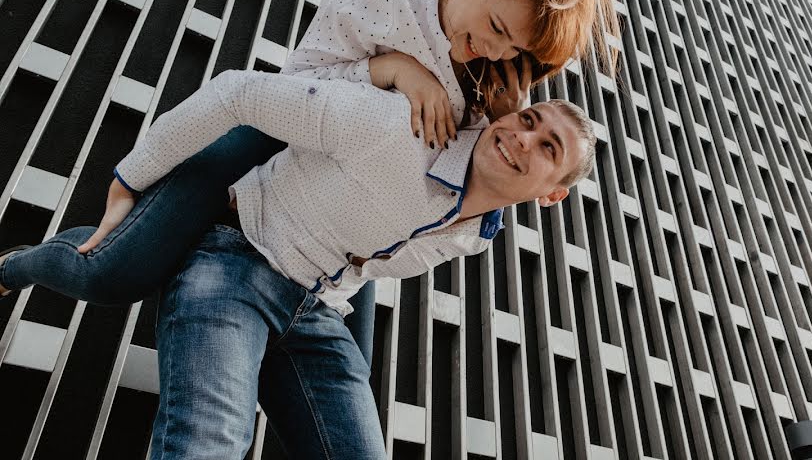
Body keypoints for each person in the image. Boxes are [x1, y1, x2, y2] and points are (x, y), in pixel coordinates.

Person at [0, 0, 618, 368]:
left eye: (515, 50)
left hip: (348, 220)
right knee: (115, 271)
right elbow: (293, 87)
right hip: (272, 143)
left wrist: (497, 117)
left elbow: (452, 178)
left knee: (355, 372)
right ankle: (16, 265)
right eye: (497, 29)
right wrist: (393, 69)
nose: (497, 51)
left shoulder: (494, 80)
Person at [117, 68, 598, 459]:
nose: (522, 138)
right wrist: (127, 181)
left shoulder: (476, 235)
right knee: (212, 441)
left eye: (548, 148)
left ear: (552, 195)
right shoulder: (401, 128)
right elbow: (241, 91)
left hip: (316, 311)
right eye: (529, 120)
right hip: (240, 258)